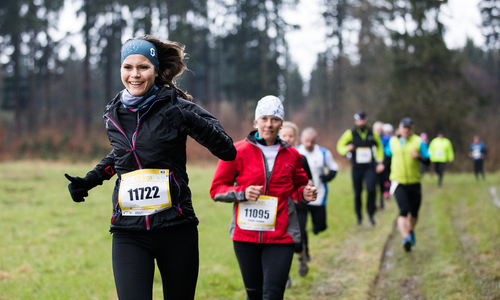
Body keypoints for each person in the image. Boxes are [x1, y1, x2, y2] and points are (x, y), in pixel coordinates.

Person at [64, 35, 237, 300]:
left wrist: (188, 119)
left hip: (175, 228)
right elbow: (124, 154)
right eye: (128, 67)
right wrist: (92, 178)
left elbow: (227, 149)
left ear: (156, 70)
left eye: (143, 67)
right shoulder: (114, 113)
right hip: (129, 231)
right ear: (120, 70)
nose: (135, 74)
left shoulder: (177, 106)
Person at [210, 96, 317, 300]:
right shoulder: (236, 151)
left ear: (281, 124)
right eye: (264, 118)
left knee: (273, 295)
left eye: (274, 119)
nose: (269, 124)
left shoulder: (293, 155)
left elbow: (297, 187)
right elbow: (216, 190)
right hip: (246, 236)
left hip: (281, 235)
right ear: (255, 122)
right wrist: (242, 193)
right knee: (255, 295)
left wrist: (304, 193)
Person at [384, 118, 430, 252]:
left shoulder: (418, 142)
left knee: (414, 212)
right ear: (399, 128)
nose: (406, 130)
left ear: (412, 129)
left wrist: (419, 157)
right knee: (403, 210)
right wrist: (381, 165)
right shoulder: (393, 142)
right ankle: (405, 239)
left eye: (408, 127)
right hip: (398, 182)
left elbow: (428, 160)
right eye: (403, 127)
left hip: (414, 182)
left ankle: (411, 230)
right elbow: (387, 156)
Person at [296, 127, 338, 258]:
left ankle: (316, 227)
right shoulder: (295, 152)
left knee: (320, 226)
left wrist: (326, 177)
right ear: (301, 139)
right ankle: (305, 252)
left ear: (316, 141)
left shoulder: (323, 153)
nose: (309, 144)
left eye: (312, 141)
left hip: (319, 195)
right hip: (300, 196)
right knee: (301, 228)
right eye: (306, 141)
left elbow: (333, 169)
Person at [337, 110, 384, 226]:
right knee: (358, 193)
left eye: (362, 120)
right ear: (355, 121)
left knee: (371, 189)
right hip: (357, 168)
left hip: (369, 167)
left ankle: (371, 214)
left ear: (366, 120)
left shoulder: (372, 133)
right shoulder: (350, 133)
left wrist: (379, 160)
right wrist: (347, 149)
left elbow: (379, 147)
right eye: (358, 120)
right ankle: (359, 216)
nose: (361, 122)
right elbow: (340, 146)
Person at [279, 121, 313, 282]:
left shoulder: (301, 158)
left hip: (299, 205)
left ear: (296, 138)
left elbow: (308, 180)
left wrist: (308, 188)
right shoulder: (273, 158)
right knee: (280, 243)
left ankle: (301, 257)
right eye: (284, 135)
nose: (287, 138)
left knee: (297, 241)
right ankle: (283, 275)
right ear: (279, 136)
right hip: (280, 206)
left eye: (291, 136)